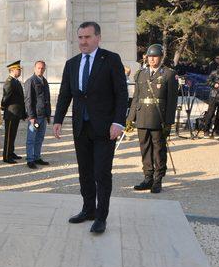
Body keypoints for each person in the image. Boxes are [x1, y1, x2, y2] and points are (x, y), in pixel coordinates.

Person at [53, 21, 128, 234]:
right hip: (81, 128)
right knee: (84, 172)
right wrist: (58, 119)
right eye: (80, 37)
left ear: (98, 38)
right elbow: (65, 94)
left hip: (105, 129)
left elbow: (121, 93)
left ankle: (101, 216)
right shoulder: (72, 63)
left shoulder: (111, 60)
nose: (83, 42)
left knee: (101, 173)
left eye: (87, 37)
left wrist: (118, 122)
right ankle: (88, 210)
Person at [127, 44, 178, 193]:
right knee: (145, 148)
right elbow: (136, 97)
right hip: (142, 116)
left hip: (158, 118)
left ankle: (158, 179)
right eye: (150, 56)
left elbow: (171, 101)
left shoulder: (169, 74)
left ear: (161, 58)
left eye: (155, 56)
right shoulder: (140, 74)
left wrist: (168, 122)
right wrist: (130, 118)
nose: (152, 59)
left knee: (158, 149)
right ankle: (147, 177)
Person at [23, 60, 51, 168]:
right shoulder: (31, 81)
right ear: (34, 69)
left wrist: (48, 115)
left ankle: (37, 157)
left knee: (40, 137)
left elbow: (47, 99)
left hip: (43, 116)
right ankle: (30, 160)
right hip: (35, 117)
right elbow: (28, 100)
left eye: (42, 68)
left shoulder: (44, 81)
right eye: (38, 68)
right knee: (31, 138)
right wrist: (31, 116)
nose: (40, 70)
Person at [1, 60, 26, 164]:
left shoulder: (16, 81)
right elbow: (6, 97)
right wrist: (3, 107)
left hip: (16, 112)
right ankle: (6, 156)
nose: (20, 71)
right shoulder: (9, 82)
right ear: (12, 70)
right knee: (9, 135)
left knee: (13, 135)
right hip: (11, 113)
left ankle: (11, 152)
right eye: (18, 69)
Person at [202, 66, 219, 137]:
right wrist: (214, 84)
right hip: (214, 96)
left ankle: (216, 131)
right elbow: (208, 81)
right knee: (210, 113)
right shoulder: (214, 72)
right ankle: (206, 130)